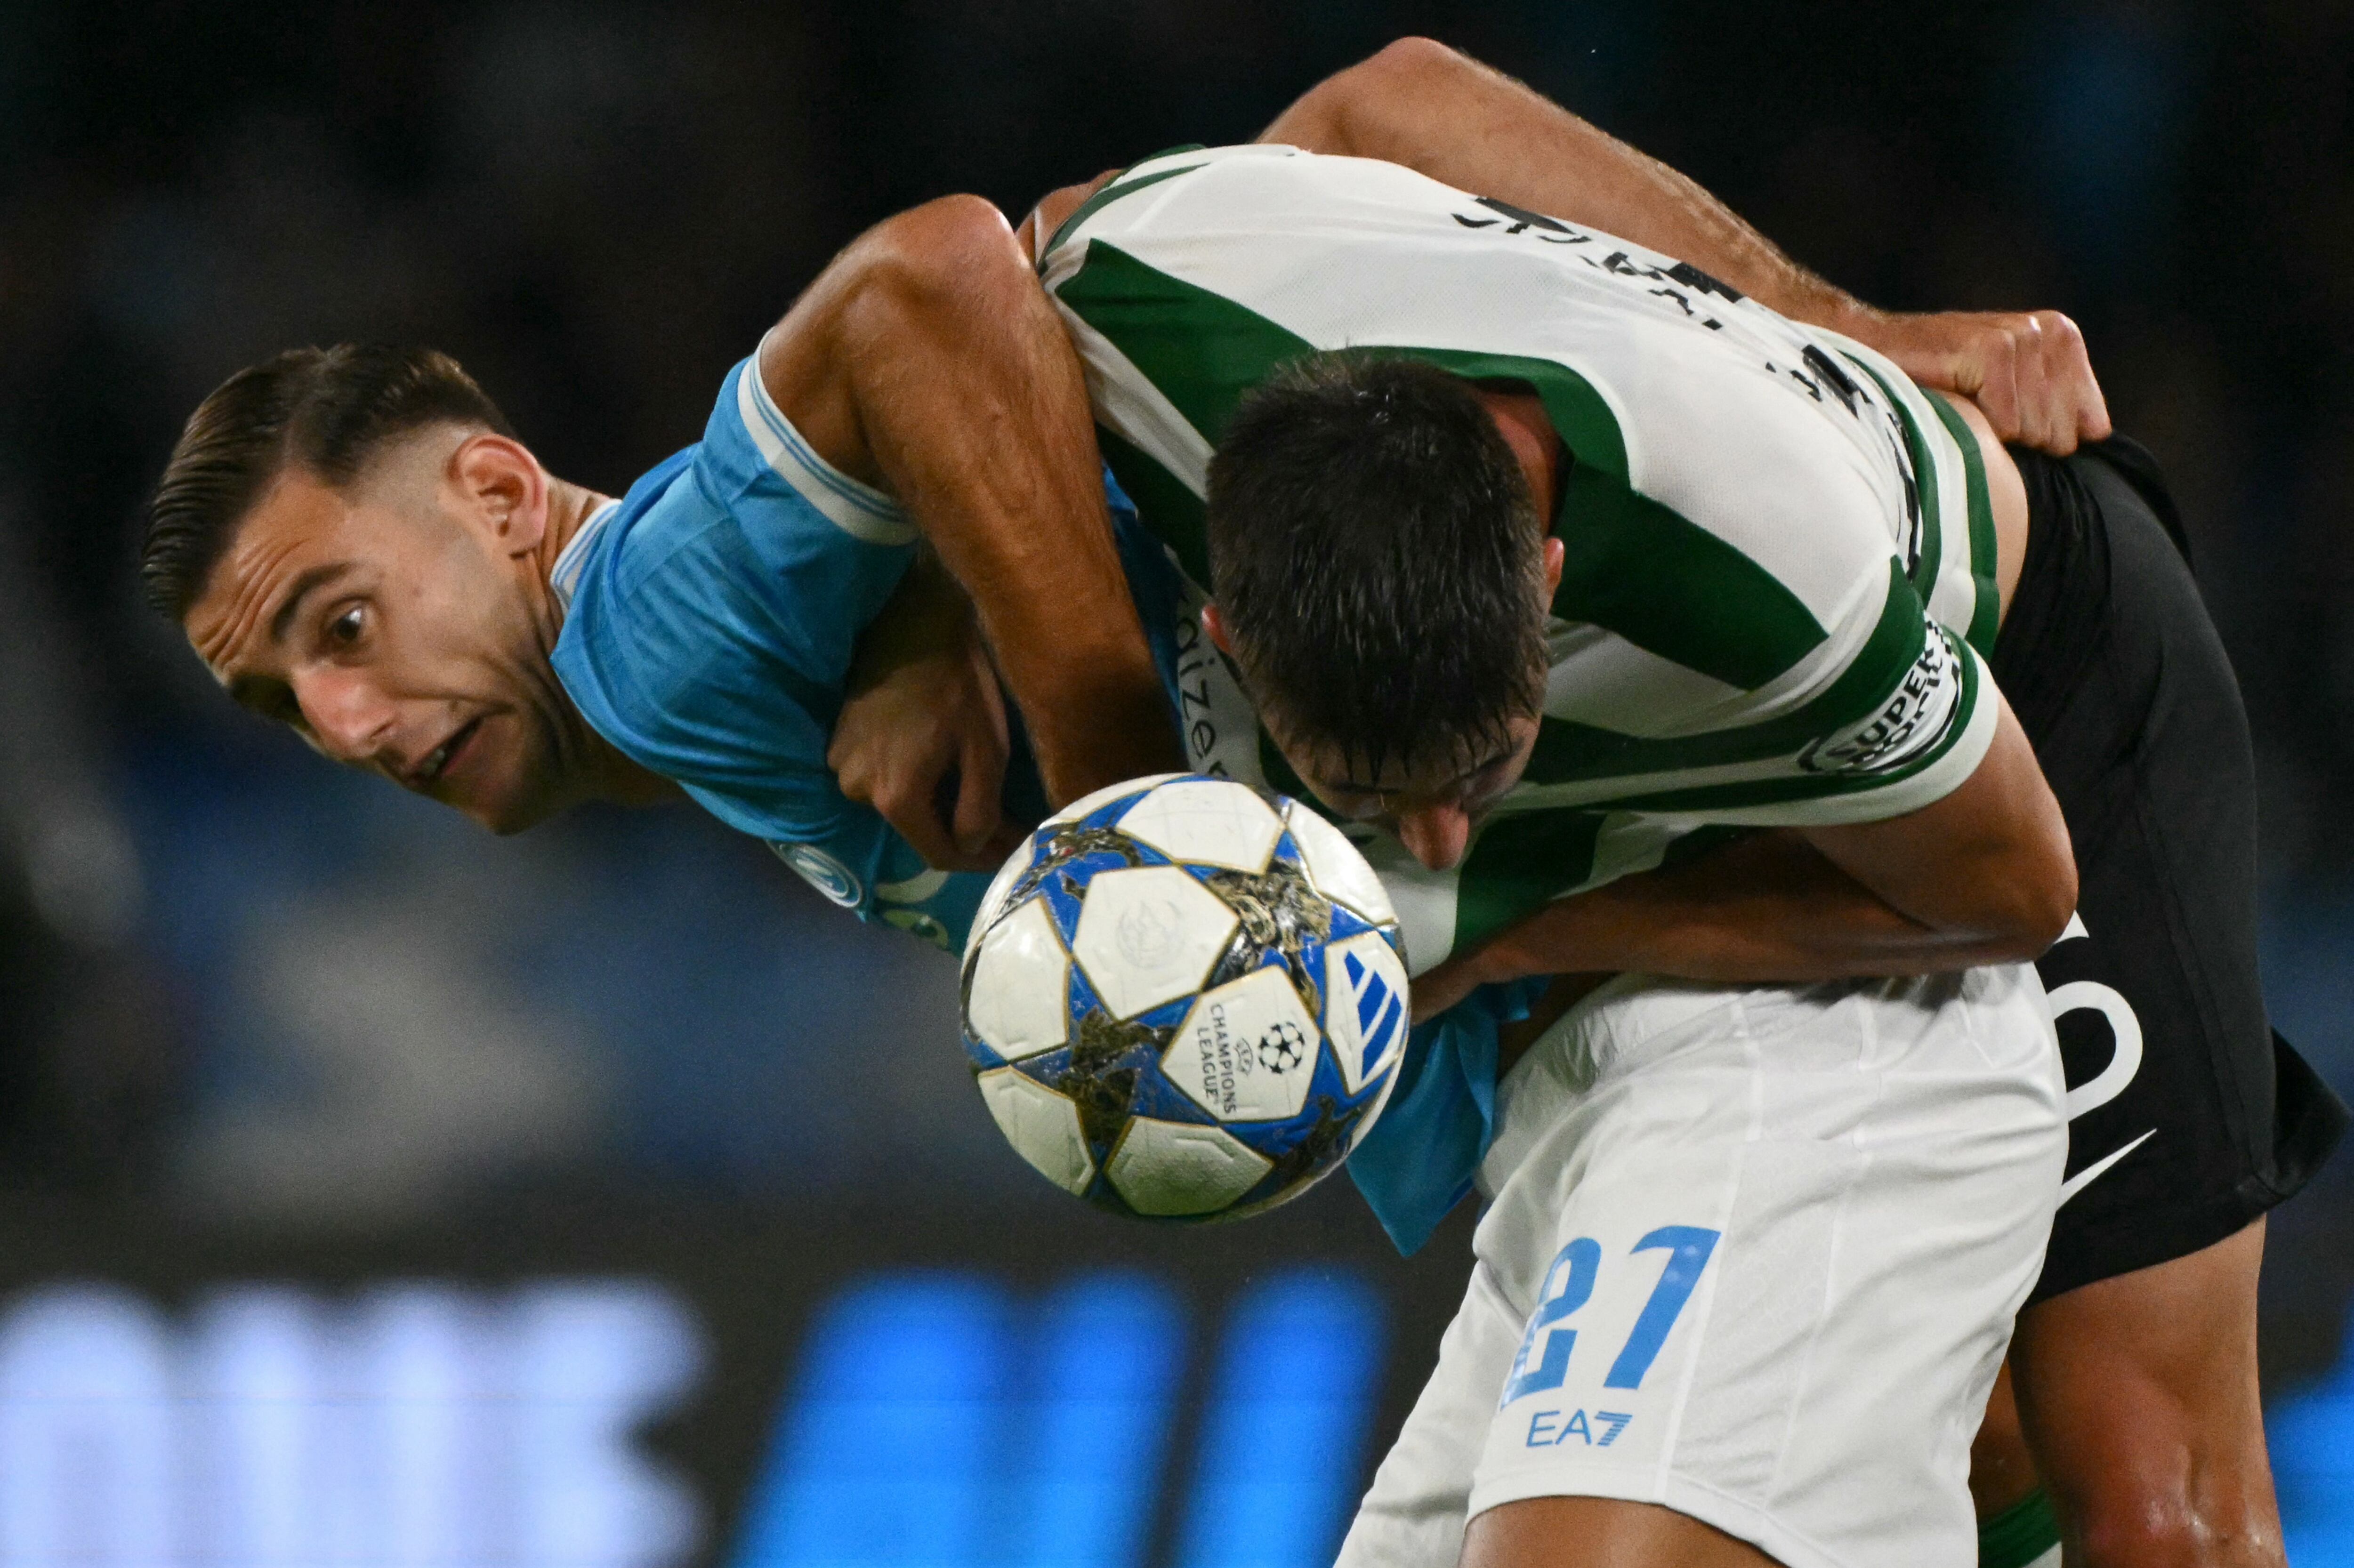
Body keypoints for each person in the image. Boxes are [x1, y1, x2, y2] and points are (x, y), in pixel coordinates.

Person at [882, 42, 2337, 1568]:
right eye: (1388, 798)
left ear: (1554, 590)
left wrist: (1513, 940)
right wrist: (921, 604)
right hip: (1743, 735)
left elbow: (2010, 887)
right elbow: (1378, 103)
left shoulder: (1755, 571)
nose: (1434, 847)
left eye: (1474, 783)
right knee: (1929, 1421)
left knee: (2161, 1515)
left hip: (2043, 689)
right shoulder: (1163, 284)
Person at [139, 197, 1185, 953]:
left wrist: (1143, 833)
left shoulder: (642, 629)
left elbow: (932, 273)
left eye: (348, 625)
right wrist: (927, 587)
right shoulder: (683, 669)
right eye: (282, 702)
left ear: (501, 498)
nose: (343, 728)